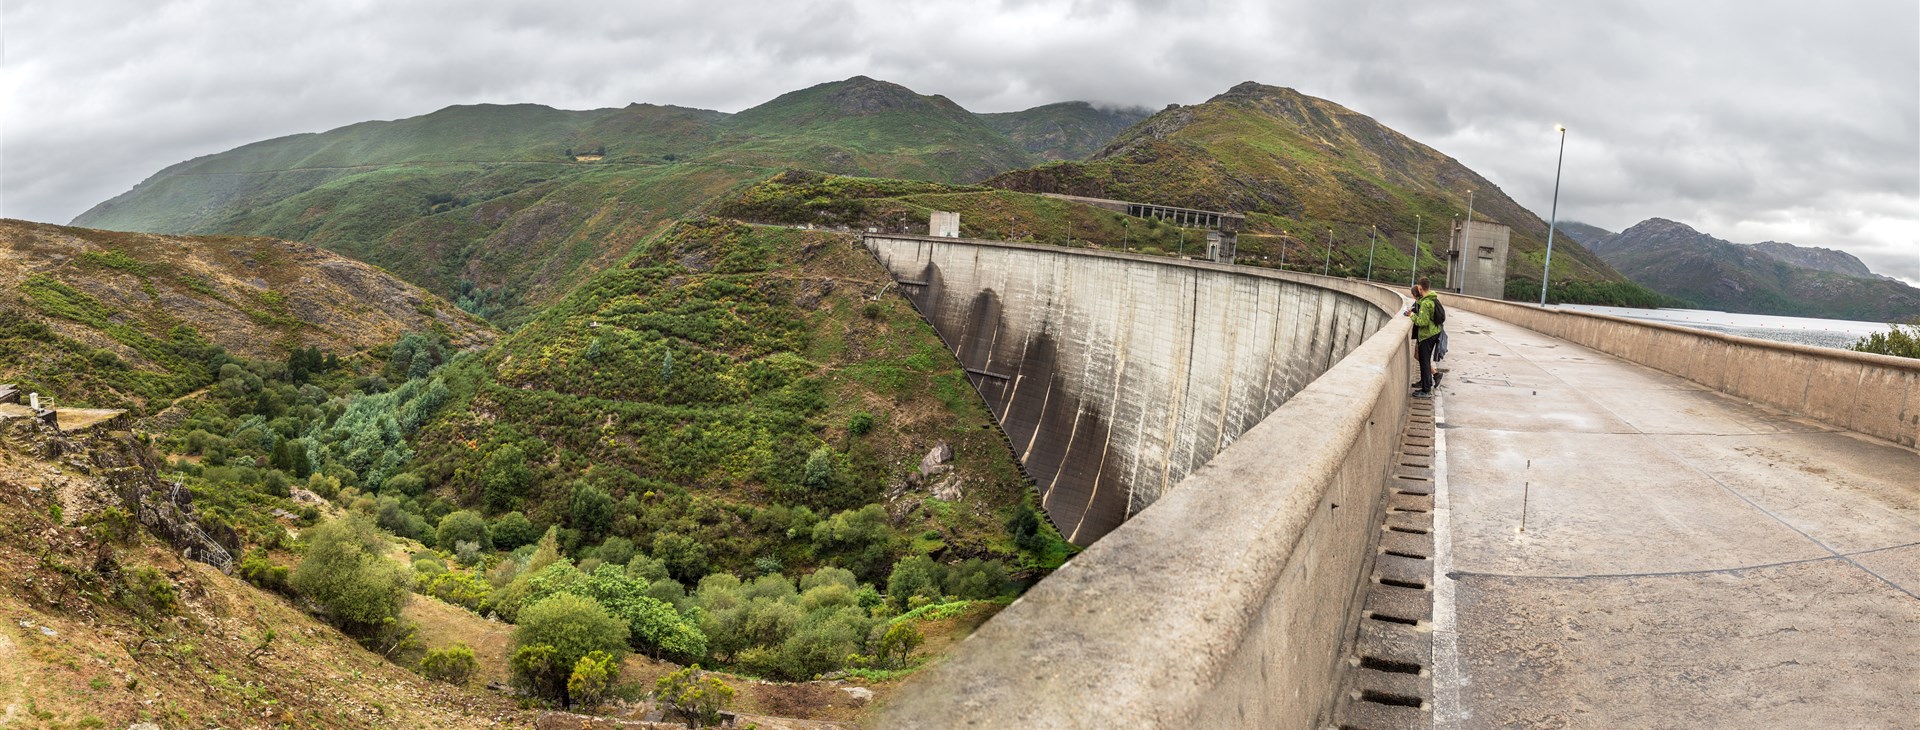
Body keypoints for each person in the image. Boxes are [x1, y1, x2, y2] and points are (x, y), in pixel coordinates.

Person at [1406, 278, 1444, 398]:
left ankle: (1426, 390)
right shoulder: (1432, 298)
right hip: (1433, 333)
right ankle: (1425, 384)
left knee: (1424, 361)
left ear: (1420, 288)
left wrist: (1412, 315)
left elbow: (1422, 322)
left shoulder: (1426, 303)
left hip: (1427, 335)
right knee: (1424, 361)